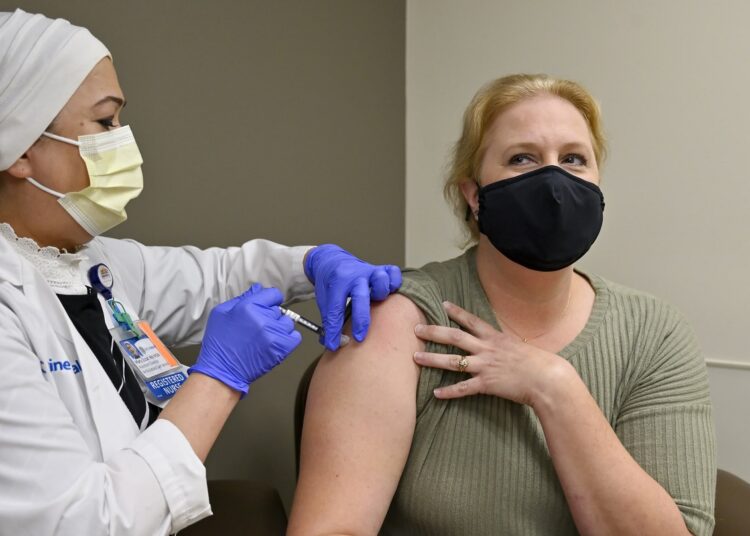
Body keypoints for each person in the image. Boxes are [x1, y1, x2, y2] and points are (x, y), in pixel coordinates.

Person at [0, 9, 401, 536]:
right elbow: (85, 524)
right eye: (105, 122)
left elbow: (212, 277)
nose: (124, 141)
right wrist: (217, 379)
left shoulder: (82, 261)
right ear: (22, 147)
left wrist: (310, 264)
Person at [289, 74, 716, 535]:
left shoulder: (654, 333)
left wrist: (554, 386)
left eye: (574, 159)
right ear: (474, 195)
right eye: (522, 158)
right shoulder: (405, 318)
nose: (553, 182)